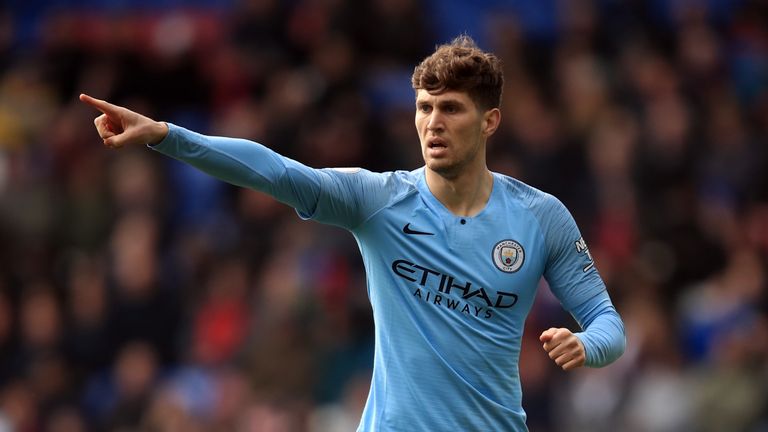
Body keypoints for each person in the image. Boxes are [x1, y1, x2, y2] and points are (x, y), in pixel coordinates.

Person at [81, 35, 625, 431]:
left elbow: (608, 323)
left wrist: (585, 345)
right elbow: (276, 170)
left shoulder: (539, 216)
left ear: (490, 122)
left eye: (452, 109)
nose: (433, 122)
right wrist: (166, 136)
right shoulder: (380, 200)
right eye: (424, 107)